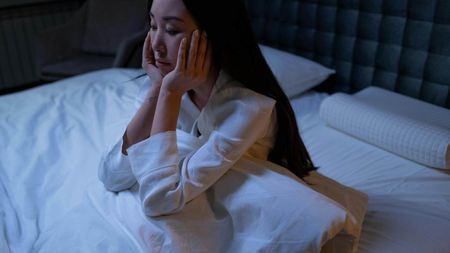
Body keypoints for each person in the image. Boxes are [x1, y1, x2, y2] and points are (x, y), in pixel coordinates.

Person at [98, 0, 317, 217]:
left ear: (213, 36)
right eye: (153, 26)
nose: (156, 44)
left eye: (172, 30)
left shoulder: (247, 109)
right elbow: (111, 176)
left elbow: (158, 201)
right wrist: (158, 88)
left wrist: (169, 95)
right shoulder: (165, 83)